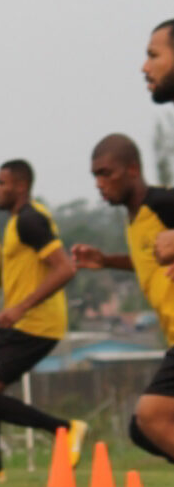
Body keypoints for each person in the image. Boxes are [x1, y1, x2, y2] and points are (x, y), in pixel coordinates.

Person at [0, 161, 84, 483]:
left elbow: (64, 268)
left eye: (2, 182)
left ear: (20, 186)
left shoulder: (30, 220)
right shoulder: (16, 223)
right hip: (17, 322)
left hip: (35, 324)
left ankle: (65, 429)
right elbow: (23, 273)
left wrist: (21, 307)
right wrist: (0, 272)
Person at [71, 132, 174, 461]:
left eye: (106, 173)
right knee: (143, 430)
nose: (99, 183)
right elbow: (149, 261)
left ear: (132, 169)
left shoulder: (163, 204)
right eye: (95, 176)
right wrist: (106, 261)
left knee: (152, 417)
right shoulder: (135, 218)